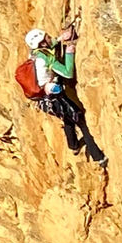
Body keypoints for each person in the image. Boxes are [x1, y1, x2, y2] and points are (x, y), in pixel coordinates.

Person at [25, 23, 84, 151]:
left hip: (44, 96)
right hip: (51, 96)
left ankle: (73, 146)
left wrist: (61, 38)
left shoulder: (35, 53)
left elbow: (48, 46)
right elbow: (67, 73)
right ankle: (77, 144)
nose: (50, 37)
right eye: (47, 37)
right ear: (42, 43)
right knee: (71, 114)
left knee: (67, 118)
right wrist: (69, 53)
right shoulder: (44, 59)